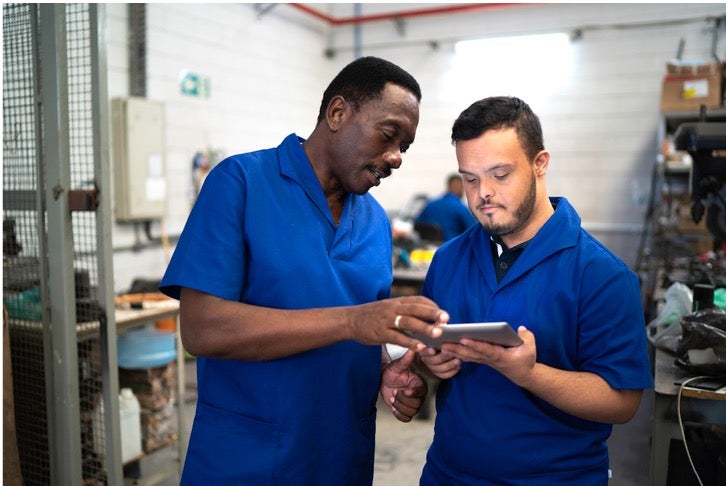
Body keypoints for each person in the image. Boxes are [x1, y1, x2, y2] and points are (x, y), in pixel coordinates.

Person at [159, 56, 449, 484]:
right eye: (388, 136)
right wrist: (352, 322)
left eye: (404, 147)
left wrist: (387, 371)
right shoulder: (240, 183)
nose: (396, 158)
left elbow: (368, 332)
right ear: (337, 113)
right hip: (248, 460)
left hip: (341, 457)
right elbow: (202, 329)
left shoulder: (374, 223)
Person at [417, 96, 653, 485]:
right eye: (470, 179)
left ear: (540, 164)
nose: (483, 194)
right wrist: (431, 365)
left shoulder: (600, 274)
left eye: (500, 174)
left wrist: (530, 374)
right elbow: (430, 357)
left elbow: (623, 402)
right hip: (448, 474)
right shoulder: (448, 260)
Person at [415, 173, 476, 241]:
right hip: (451, 247)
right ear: (461, 187)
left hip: (428, 247)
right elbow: (474, 231)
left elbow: (417, 225)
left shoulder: (430, 204)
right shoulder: (460, 207)